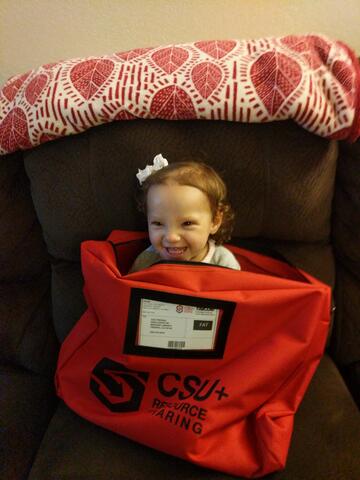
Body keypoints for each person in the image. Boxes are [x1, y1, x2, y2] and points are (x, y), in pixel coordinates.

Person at [129, 154, 240, 273]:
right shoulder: (147, 261)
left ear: (215, 221)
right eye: (158, 223)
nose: (171, 237)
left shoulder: (223, 262)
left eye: (187, 223)